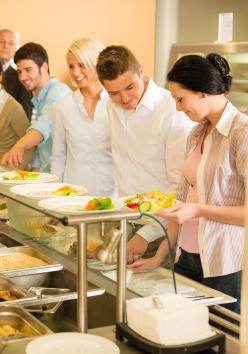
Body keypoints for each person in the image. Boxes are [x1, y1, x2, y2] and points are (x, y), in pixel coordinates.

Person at [131, 54, 248, 313]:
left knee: (222, 339)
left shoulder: (242, 133)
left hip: (227, 264)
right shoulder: (196, 132)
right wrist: (160, 256)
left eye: (180, 99)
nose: (177, 108)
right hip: (187, 257)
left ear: (203, 92)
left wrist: (198, 210)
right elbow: (182, 203)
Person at [96, 45, 193, 262]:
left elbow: (180, 185)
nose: (124, 98)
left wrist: (146, 234)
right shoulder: (111, 107)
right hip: (124, 221)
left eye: (130, 87)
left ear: (141, 71)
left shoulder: (172, 110)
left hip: (161, 230)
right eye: (114, 93)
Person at [51, 38, 116, 197]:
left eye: (82, 65)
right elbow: (58, 158)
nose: (75, 72)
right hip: (75, 197)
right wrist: (54, 198)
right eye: (71, 66)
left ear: (97, 64)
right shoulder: (62, 107)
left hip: (114, 196)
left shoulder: (117, 103)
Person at [1, 42, 71, 172]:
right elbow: (43, 145)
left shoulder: (58, 92)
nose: (22, 77)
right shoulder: (39, 98)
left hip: (63, 179)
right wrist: (34, 172)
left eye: (28, 70)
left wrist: (19, 147)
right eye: (19, 71)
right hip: (48, 177)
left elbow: (45, 126)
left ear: (44, 67)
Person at [0, 29, 33, 120]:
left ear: (15, 50)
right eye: (2, 42)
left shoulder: (21, 78)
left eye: (11, 44)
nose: (5, 46)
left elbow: (26, 115)